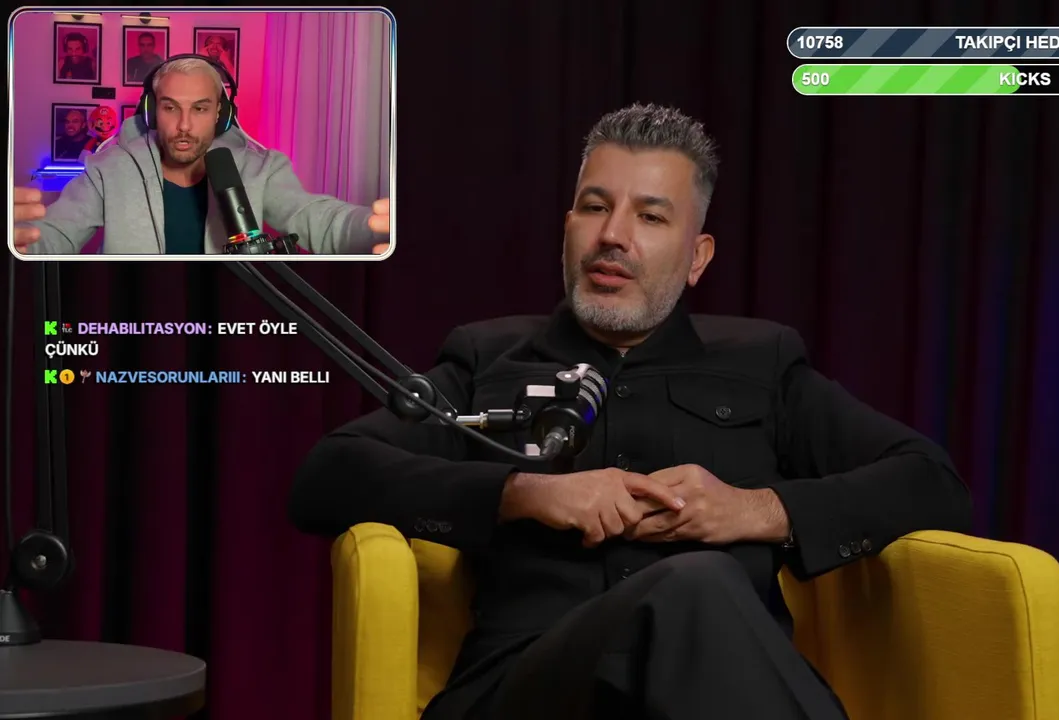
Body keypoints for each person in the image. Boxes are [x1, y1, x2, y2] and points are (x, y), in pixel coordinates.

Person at [288, 103, 972, 720]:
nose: (613, 235)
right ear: (567, 230)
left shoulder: (763, 363)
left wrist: (757, 510)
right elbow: (329, 475)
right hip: (526, 689)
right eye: (594, 207)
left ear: (697, 256)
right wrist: (524, 494)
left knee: (702, 590)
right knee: (695, 583)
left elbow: (930, 481)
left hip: (720, 690)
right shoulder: (486, 357)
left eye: (650, 216)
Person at [11, 56, 387, 254]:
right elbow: (53, 235)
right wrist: (18, 241)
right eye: (171, 107)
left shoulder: (261, 169)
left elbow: (319, 220)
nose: (185, 125)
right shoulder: (107, 170)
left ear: (221, 115)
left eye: (201, 109)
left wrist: (374, 228)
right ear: (151, 112)